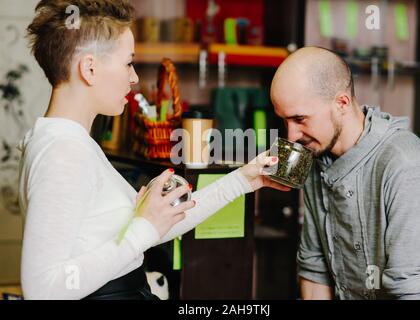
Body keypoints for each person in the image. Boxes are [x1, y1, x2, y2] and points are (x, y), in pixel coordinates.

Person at [18, 0, 289, 300]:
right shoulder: (64, 152)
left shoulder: (71, 143)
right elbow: (43, 289)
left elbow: (153, 229)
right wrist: (144, 228)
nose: (134, 78)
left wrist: (242, 180)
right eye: (128, 62)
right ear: (90, 68)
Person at [270, 46, 420, 300]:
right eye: (284, 120)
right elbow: (315, 267)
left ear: (341, 103)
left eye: (300, 119)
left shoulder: (404, 163)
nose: (291, 136)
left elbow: (411, 290)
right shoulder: (315, 153)